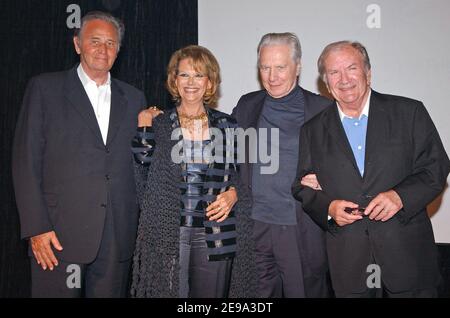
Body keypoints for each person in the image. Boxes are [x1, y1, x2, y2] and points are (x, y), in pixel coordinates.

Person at [293, 41, 450, 297]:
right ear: (325, 81)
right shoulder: (312, 130)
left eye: (351, 68)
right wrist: (329, 208)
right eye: (334, 72)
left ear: (368, 72)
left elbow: (435, 167)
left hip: (408, 259)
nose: (344, 79)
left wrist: (400, 196)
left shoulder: (409, 112)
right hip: (349, 264)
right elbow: (302, 186)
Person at [12, 11, 147, 297]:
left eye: (111, 43)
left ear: (118, 50)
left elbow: (138, 165)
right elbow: (26, 163)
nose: (103, 49)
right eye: (95, 41)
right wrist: (36, 228)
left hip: (115, 238)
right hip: (56, 237)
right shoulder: (44, 89)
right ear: (77, 44)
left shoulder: (135, 98)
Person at [130, 45, 257, 298]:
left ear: (209, 83)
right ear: (174, 80)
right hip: (167, 233)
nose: (191, 82)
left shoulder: (228, 125)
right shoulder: (158, 123)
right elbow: (142, 174)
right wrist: (144, 129)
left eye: (199, 75)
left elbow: (242, 178)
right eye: (184, 75)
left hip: (216, 232)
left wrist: (234, 195)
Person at [231, 32, 332, 297]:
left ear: (298, 67)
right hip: (253, 225)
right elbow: (224, 151)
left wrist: (329, 179)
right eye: (265, 67)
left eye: (280, 67)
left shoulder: (322, 110)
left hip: (299, 227)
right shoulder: (247, 104)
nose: (272, 76)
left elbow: (348, 163)